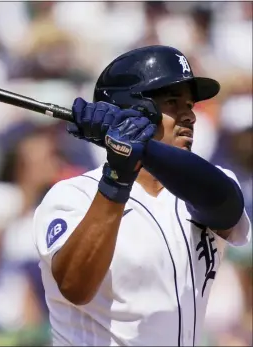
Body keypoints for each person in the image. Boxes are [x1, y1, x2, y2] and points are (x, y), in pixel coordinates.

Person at [32, 45, 252, 346]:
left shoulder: (205, 183)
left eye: (190, 104)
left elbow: (226, 207)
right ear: (133, 110)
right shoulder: (72, 195)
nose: (190, 116)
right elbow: (75, 286)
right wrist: (117, 176)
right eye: (173, 102)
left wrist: (136, 146)